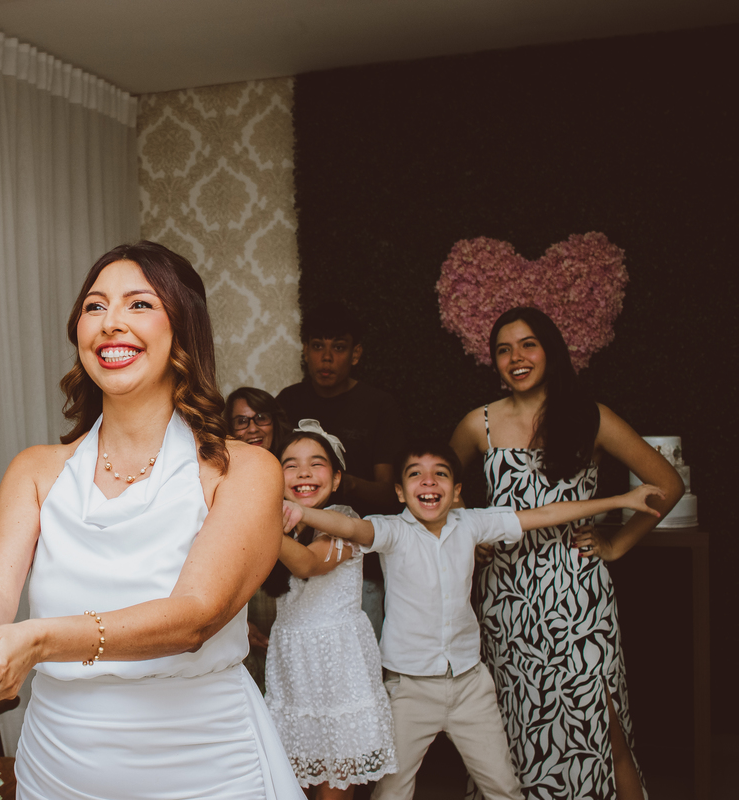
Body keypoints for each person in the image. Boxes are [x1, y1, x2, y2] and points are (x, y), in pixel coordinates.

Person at [0, 241, 305, 799]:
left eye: (139, 305)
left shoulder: (243, 469)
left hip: (204, 768)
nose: (111, 323)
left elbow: (195, 617)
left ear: (183, 330)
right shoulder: (36, 470)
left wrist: (41, 640)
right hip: (57, 766)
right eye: (95, 307)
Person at [282, 440, 665, 800]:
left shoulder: (472, 524)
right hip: (410, 690)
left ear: (457, 489)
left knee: (503, 788)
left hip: (470, 686)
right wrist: (301, 512)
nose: (428, 481)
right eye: (415, 474)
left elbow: (546, 514)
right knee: (392, 793)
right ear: (399, 492)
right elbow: (350, 527)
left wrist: (622, 499)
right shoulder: (392, 530)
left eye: (441, 474)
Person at [449, 307, 684, 800]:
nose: (516, 358)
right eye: (503, 349)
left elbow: (667, 484)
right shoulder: (479, 425)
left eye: (528, 344)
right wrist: (476, 539)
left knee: (600, 720)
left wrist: (617, 543)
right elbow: (440, 491)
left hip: (578, 596)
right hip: (507, 600)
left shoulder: (590, 417)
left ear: (551, 351)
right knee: (518, 726)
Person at [263, 422, 397, 800]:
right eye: (290, 464)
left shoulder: (344, 520)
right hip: (293, 660)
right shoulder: (284, 526)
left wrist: (259, 517)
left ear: (336, 478)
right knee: (290, 780)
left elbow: (307, 564)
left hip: (338, 661)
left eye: (316, 464)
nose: (304, 473)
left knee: (334, 784)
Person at [277, 305, 404, 639]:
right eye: (318, 346)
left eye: (339, 347)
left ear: (356, 353)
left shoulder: (378, 404)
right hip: (291, 552)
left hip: (357, 558)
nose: (327, 358)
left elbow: (388, 490)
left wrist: (338, 483)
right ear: (305, 351)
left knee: (354, 640)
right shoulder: (288, 401)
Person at [226, 386, 295, 692]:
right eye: (242, 421)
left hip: (296, 591)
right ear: (229, 430)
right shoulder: (221, 476)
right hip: (245, 594)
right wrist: (236, 619)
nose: (253, 428)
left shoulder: (296, 466)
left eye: (260, 418)